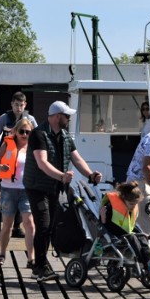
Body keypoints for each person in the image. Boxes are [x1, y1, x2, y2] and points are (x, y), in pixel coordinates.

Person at [23, 100, 102, 282]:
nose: (69, 119)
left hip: (54, 186)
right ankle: (40, 267)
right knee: (43, 225)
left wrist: (90, 175)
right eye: (67, 116)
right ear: (58, 116)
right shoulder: (38, 134)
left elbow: (77, 159)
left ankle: (40, 264)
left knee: (50, 226)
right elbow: (42, 163)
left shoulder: (65, 135)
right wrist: (62, 176)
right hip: (37, 186)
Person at [0, 92, 38, 238]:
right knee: (9, 194)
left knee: (23, 196)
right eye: (16, 104)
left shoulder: (30, 119)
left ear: (25, 105)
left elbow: (37, 137)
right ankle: (8, 225)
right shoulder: (4, 118)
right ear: (12, 104)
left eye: (21, 105)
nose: (19, 107)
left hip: (24, 159)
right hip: (8, 158)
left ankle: (17, 227)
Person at [0, 118, 35, 268]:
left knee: (29, 224)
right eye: (21, 131)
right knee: (7, 226)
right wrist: (1, 167)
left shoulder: (34, 147)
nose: (24, 134)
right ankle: (2, 253)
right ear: (15, 131)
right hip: (8, 190)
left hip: (26, 191)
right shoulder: (7, 145)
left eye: (27, 132)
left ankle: (31, 258)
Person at [99, 182, 150, 273]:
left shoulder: (129, 208)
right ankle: (145, 263)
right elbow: (104, 225)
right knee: (133, 238)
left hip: (125, 234)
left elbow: (130, 226)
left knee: (142, 236)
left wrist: (141, 232)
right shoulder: (110, 207)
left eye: (135, 204)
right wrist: (103, 218)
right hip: (113, 236)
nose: (133, 206)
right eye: (131, 204)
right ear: (123, 199)